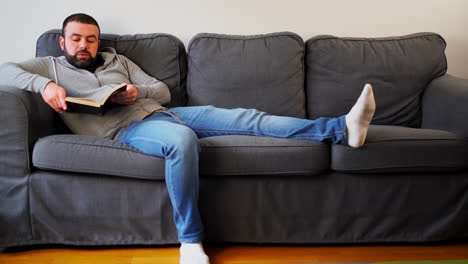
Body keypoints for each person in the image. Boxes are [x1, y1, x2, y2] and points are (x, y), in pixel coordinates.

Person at [0, 13, 375, 264]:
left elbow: (160, 89)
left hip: (162, 112)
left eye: (91, 40)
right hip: (127, 129)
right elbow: (5, 70)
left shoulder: (119, 61)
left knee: (245, 117)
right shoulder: (48, 66)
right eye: (77, 39)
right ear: (63, 43)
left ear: (99, 42)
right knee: (180, 141)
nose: (84, 45)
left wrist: (137, 92)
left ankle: (340, 129)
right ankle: (191, 240)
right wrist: (45, 85)